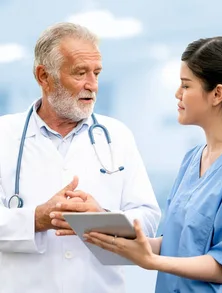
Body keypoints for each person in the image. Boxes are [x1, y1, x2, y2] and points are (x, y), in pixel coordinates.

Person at [84, 36, 222, 292]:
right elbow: (177, 245)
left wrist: (152, 261)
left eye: (186, 85)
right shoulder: (192, 159)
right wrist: (104, 224)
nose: (177, 94)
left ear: (217, 94)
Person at [0, 22, 162, 293]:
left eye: (97, 73)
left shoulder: (118, 136)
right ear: (44, 76)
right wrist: (36, 219)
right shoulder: (4, 135)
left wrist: (101, 217)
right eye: (80, 73)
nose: (93, 85)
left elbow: (147, 218)